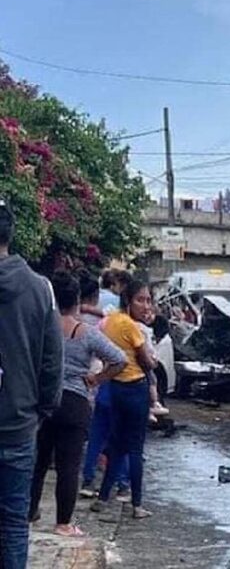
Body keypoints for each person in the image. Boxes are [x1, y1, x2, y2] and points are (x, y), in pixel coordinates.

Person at [28, 272, 126, 537]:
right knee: (68, 466)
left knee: (38, 461)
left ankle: (30, 512)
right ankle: (63, 524)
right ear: (78, 300)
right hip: (75, 403)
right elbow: (119, 359)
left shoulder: (40, 326)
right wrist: (97, 378)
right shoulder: (87, 334)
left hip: (43, 400)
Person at [0, 199, 63, 569]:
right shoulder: (40, 289)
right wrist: (41, 411)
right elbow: (51, 362)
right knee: (12, 523)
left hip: (21, 421)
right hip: (19, 426)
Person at [91, 280, 158, 519]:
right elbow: (148, 362)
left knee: (116, 444)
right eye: (140, 300)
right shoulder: (131, 327)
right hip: (135, 388)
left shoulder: (109, 322)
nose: (146, 305)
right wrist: (151, 358)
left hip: (115, 388)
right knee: (135, 448)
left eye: (148, 300)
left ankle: (102, 497)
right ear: (128, 301)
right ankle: (137, 505)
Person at [78, 271, 131, 500]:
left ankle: (89, 479)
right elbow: (131, 360)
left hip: (101, 386)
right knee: (121, 437)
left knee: (96, 435)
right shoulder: (127, 325)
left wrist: (97, 379)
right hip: (121, 385)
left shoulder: (100, 322)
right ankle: (121, 484)